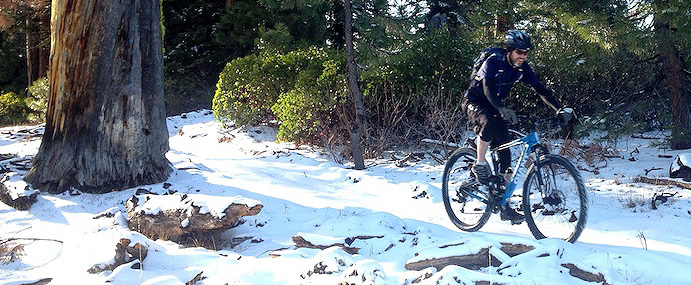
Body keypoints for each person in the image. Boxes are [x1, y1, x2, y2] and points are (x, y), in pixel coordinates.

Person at [463, 30, 574, 221]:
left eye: (525, 53)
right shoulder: (493, 61)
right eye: (519, 53)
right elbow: (487, 88)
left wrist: (559, 108)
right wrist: (501, 108)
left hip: (497, 107)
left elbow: (540, 89)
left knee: (505, 157)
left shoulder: (522, 68)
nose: (523, 56)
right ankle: (479, 163)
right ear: (510, 51)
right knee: (488, 122)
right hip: (475, 102)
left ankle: (503, 204)